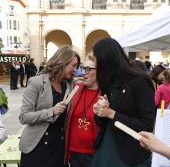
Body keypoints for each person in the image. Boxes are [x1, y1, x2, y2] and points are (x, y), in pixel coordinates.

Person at [91, 38, 155, 167]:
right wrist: (100, 110)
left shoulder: (140, 81)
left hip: (129, 155)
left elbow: (147, 125)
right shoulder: (108, 81)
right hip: (105, 150)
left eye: (95, 59)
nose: (94, 64)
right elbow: (100, 121)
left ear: (105, 59)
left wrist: (112, 114)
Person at [19, 45, 80, 167]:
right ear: (62, 62)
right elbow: (24, 117)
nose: (75, 69)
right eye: (73, 65)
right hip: (37, 147)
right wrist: (52, 111)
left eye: (77, 66)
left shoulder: (69, 84)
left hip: (59, 148)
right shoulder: (37, 82)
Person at [65, 54, 99, 167]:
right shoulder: (75, 89)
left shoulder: (106, 94)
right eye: (83, 68)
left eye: (88, 69)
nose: (83, 72)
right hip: (74, 153)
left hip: (94, 154)